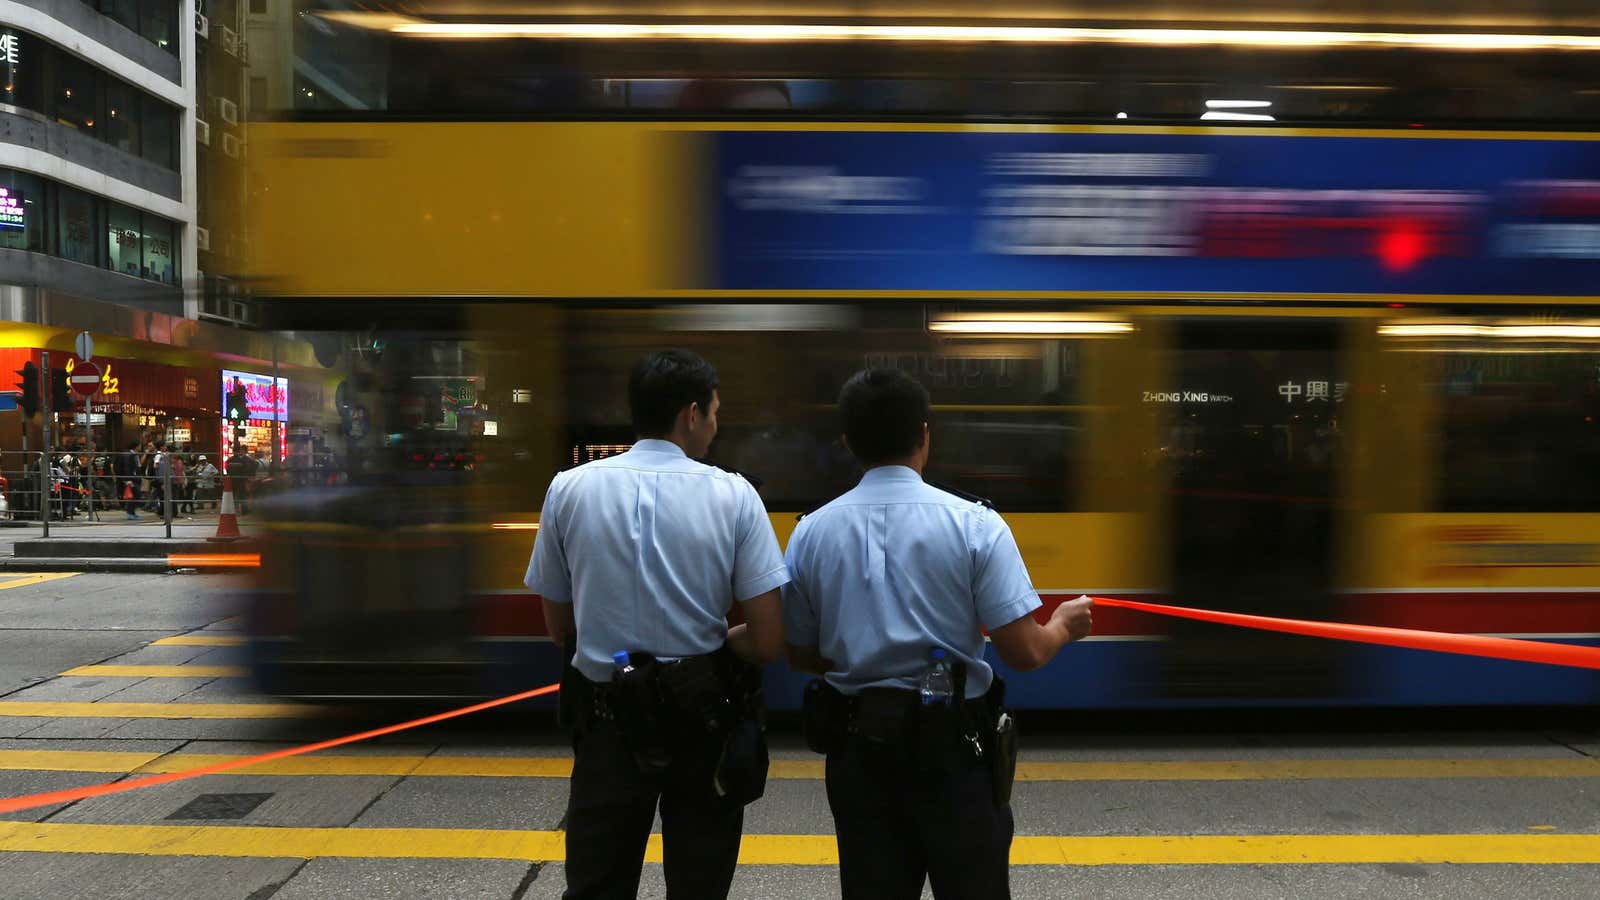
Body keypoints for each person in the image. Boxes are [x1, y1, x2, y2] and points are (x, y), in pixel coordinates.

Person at [782, 368, 1094, 900]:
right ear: (924, 435)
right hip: (955, 753)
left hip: (859, 755)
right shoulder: (975, 526)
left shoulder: (811, 532)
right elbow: (1023, 651)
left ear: (848, 443)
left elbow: (802, 652)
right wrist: (1064, 626)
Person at [525, 349, 788, 900]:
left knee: (598, 883)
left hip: (606, 725)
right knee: (699, 883)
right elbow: (767, 639)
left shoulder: (568, 490)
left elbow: (559, 628)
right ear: (691, 414)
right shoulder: (736, 496)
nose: (716, 428)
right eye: (714, 414)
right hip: (702, 723)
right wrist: (713, 646)